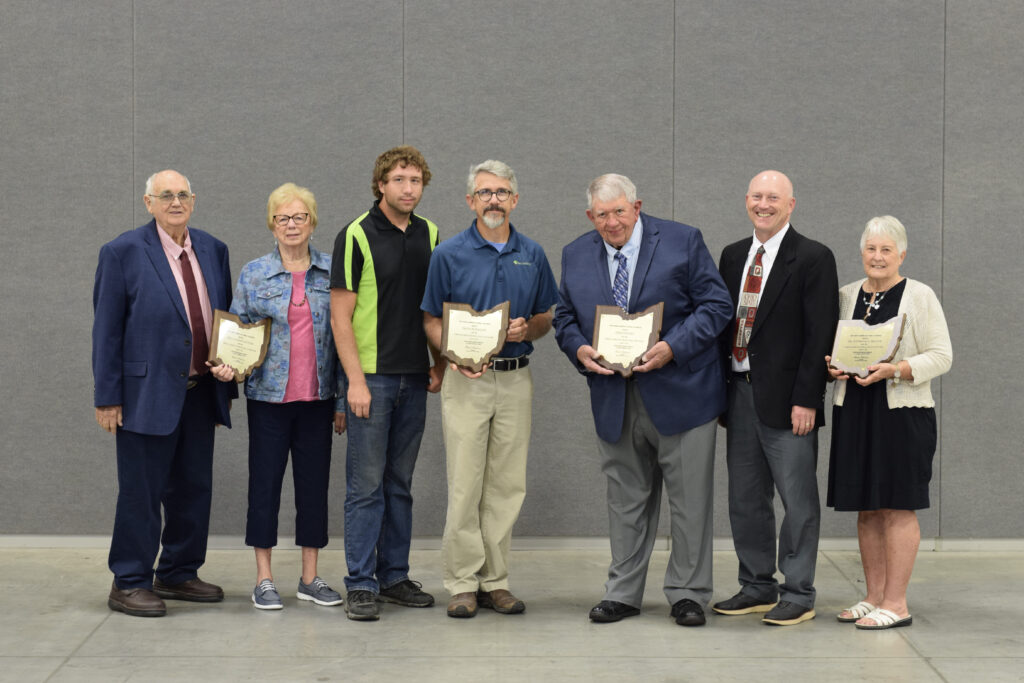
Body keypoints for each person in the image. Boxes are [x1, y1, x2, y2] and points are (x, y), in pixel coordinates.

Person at [553, 173, 733, 627]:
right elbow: (564, 317)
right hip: (614, 395)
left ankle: (688, 593)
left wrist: (672, 346)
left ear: (637, 207)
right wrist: (579, 348)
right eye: (602, 215)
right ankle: (623, 592)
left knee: (690, 502)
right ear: (589, 216)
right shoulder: (575, 254)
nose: (611, 223)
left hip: (682, 393)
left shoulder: (682, 241)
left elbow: (716, 305)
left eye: (619, 211)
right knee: (625, 499)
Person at [93, 169, 236, 617]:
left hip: (199, 391)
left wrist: (223, 386)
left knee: (193, 488)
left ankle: (177, 571)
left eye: (183, 195)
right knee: (141, 491)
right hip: (143, 394)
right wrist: (107, 397)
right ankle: (130, 580)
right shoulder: (122, 253)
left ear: (194, 200)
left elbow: (222, 321)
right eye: (165, 195)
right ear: (148, 202)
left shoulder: (214, 249)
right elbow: (106, 332)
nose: (175, 202)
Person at [422, 160, 558, 619]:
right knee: (465, 483)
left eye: (502, 192)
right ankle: (462, 582)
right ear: (470, 201)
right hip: (466, 380)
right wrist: (456, 355)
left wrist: (529, 328)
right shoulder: (448, 254)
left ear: (515, 200)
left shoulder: (532, 253)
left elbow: (546, 316)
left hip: (516, 377)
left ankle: (494, 581)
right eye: (485, 192)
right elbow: (430, 319)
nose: (494, 200)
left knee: (506, 484)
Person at [715, 170, 838, 626]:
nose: (763, 204)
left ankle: (799, 591)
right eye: (757, 196)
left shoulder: (813, 258)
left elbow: (819, 333)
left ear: (791, 204)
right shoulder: (732, 256)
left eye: (774, 197)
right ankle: (756, 585)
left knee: (798, 501)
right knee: (745, 498)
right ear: (746, 200)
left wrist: (808, 398)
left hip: (791, 403)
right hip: (739, 395)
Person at [331, 146, 443, 621]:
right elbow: (340, 316)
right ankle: (360, 582)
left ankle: (394, 576)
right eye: (399, 179)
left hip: (415, 378)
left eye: (415, 180)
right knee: (365, 486)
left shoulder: (432, 234)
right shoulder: (355, 235)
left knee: (400, 483)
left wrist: (439, 362)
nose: (408, 188)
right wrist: (353, 381)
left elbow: (435, 306)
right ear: (381, 184)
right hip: (371, 381)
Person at [826, 216, 952, 630]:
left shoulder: (920, 296)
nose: (877, 257)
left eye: (886, 250)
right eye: (871, 249)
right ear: (861, 252)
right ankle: (873, 596)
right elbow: (831, 349)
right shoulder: (845, 295)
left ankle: (896, 604)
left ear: (901, 254)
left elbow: (941, 355)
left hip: (902, 414)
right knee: (867, 507)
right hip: (855, 410)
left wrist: (896, 369)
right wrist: (831, 367)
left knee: (897, 506)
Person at [225, 183, 345, 610]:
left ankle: (310, 577)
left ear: (312, 222)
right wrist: (228, 364)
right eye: (282, 218)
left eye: (299, 217)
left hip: (318, 399)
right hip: (268, 401)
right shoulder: (254, 272)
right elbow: (236, 331)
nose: (291, 225)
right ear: (271, 224)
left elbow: (347, 338)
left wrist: (343, 401)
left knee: (314, 489)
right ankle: (264, 579)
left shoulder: (334, 272)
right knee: (265, 486)